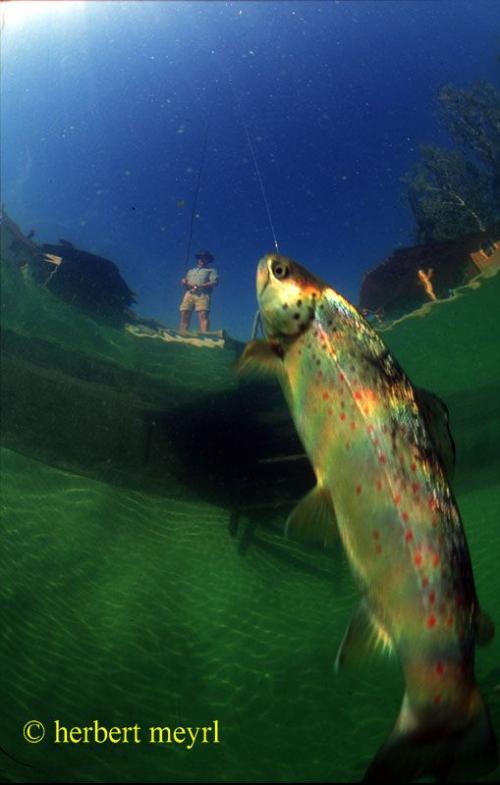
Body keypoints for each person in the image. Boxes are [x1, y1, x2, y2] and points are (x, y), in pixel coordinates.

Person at [179, 250, 219, 333]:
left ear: (208, 260)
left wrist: (201, 285)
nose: (201, 259)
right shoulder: (190, 271)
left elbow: (215, 282)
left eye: (204, 258)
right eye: (200, 257)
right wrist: (184, 281)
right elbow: (186, 282)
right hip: (189, 293)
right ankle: (182, 333)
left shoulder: (211, 271)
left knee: (203, 314)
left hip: (203, 294)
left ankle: (204, 334)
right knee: (184, 313)